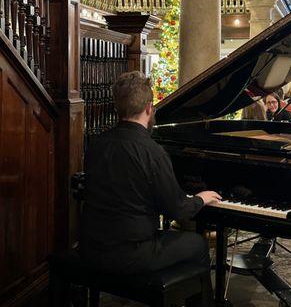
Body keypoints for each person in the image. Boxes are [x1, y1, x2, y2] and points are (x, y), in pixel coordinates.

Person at [80, 71, 220, 305]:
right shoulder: (152, 151)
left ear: (118, 107)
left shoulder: (96, 144)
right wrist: (201, 198)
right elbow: (177, 210)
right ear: (148, 108)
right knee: (197, 244)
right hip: (131, 254)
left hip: (91, 246)